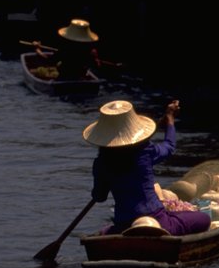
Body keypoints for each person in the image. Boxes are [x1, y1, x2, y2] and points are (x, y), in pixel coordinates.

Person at [85, 99, 210, 236]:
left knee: (104, 233)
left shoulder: (101, 162)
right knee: (204, 219)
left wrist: (106, 181)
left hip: (124, 224)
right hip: (156, 220)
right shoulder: (145, 151)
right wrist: (170, 121)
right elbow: (169, 146)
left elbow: (99, 196)